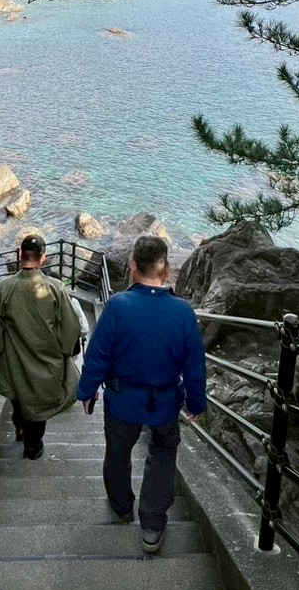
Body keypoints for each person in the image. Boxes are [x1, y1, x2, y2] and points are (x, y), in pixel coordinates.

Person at [77, 234, 206, 554]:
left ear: (133, 266)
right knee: (162, 457)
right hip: (164, 402)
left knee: (117, 454)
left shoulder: (118, 306)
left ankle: (122, 506)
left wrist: (87, 391)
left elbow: (98, 354)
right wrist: (196, 402)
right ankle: (152, 524)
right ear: (167, 269)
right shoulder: (183, 312)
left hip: (122, 401)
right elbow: (194, 364)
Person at [0, 235, 82, 460]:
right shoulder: (55, 287)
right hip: (47, 360)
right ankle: (33, 446)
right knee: (38, 404)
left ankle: (20, 429)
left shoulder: (4, 288)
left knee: (18, 398)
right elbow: (71, 327)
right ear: (43, 258)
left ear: (19, 255)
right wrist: (65, 352)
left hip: (14, 359)